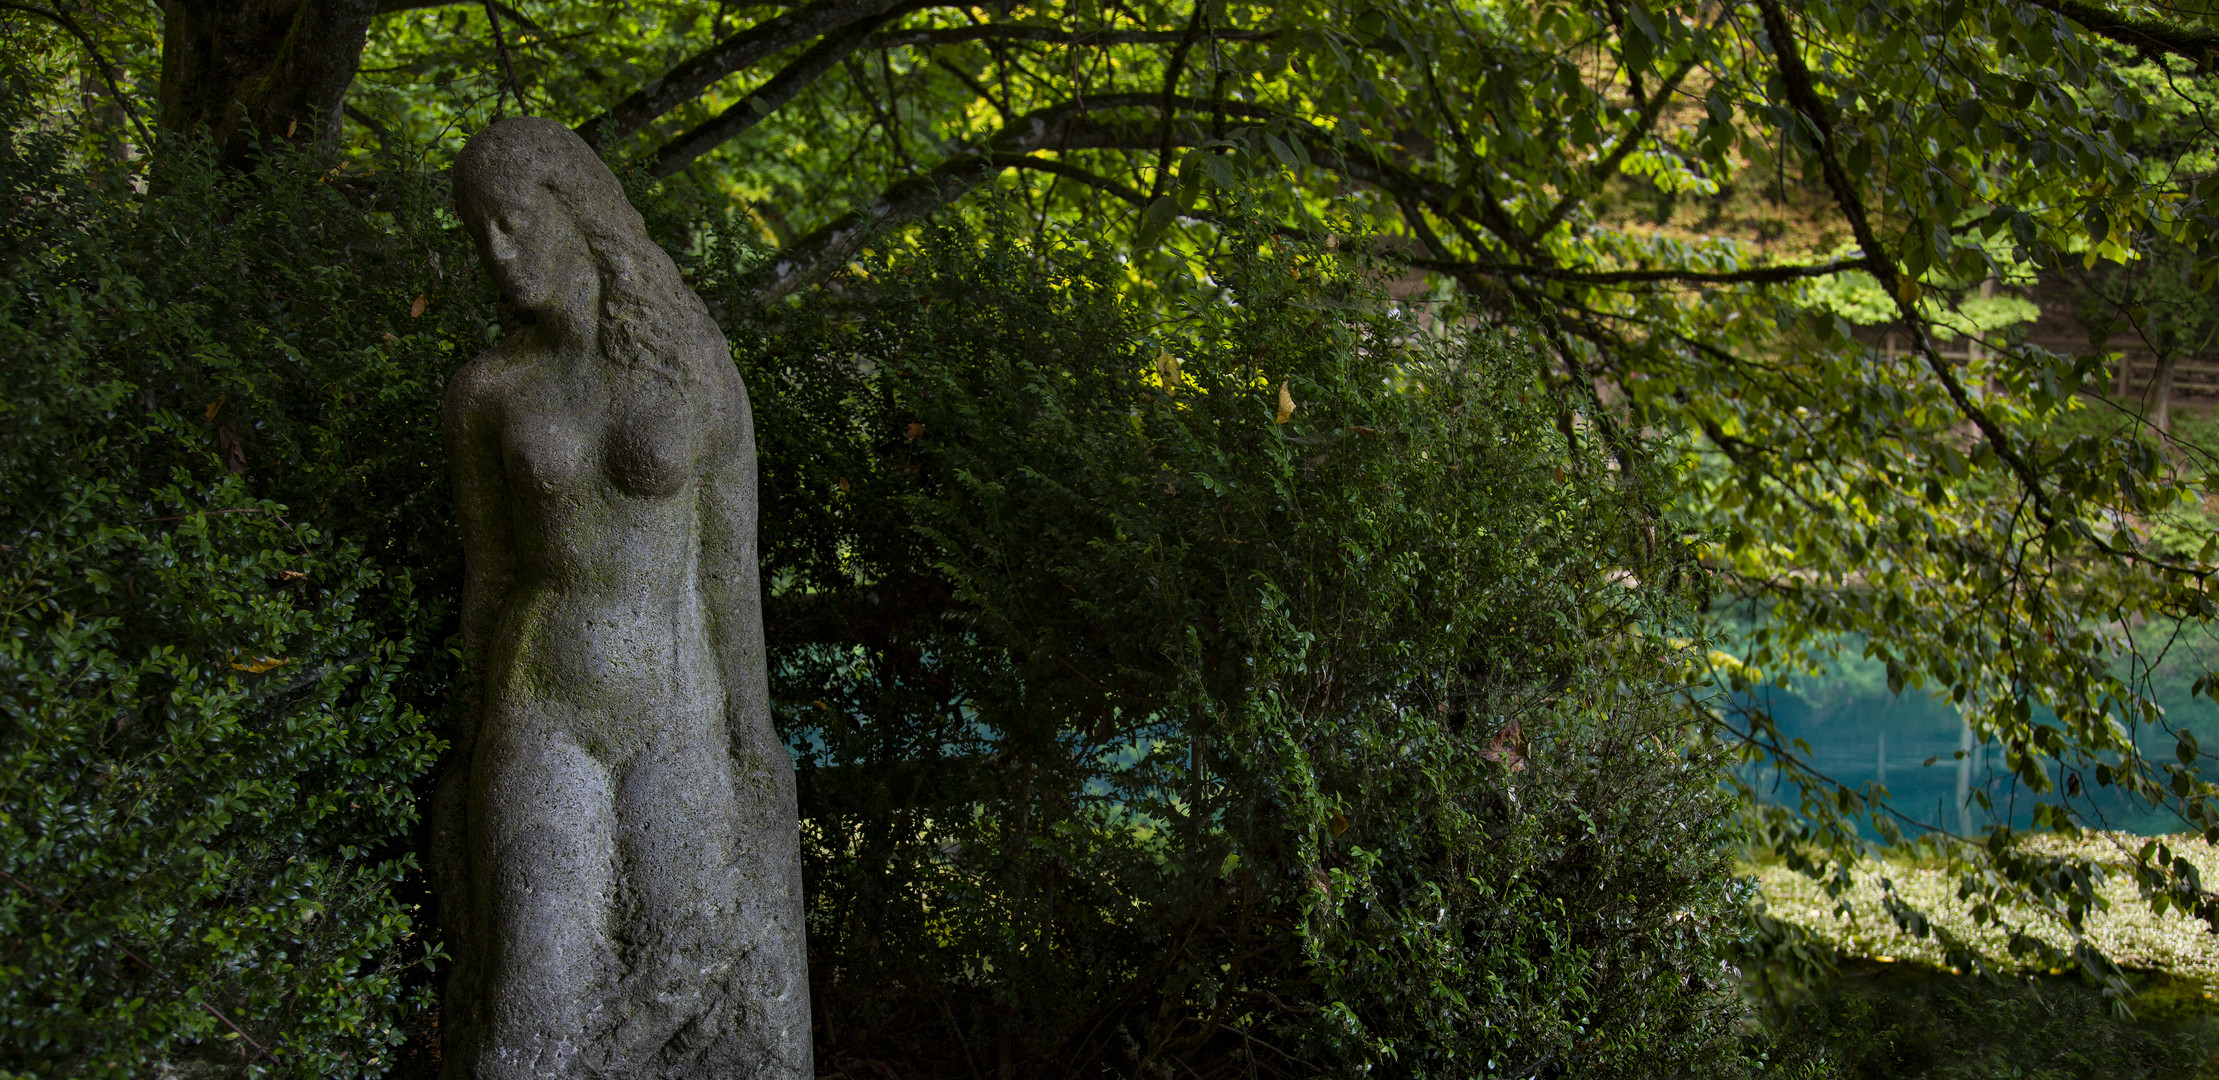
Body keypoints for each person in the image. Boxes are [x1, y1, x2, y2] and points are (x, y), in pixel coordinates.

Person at [436, 116, 808, 1080]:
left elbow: (731, 571)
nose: (497, 253)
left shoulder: (694, 377)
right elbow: (490, 575)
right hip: (541, 711)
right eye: (478, 233)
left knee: (692, 959)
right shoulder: (486, 393)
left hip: (677, 714)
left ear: (576, 211)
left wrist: (754, 740)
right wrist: (467, 736)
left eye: (514, 222)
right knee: (530, 1014)